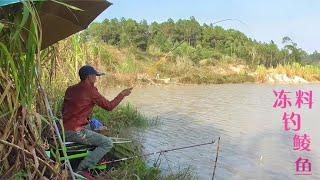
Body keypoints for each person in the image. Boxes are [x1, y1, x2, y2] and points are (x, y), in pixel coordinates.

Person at [62, 65, 132, 179]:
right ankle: (82, 169)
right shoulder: (90, 90)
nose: (96, 78)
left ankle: (94, 159)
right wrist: (122, 94)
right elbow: (109, 106)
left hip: (64, 128)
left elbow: (65, 110)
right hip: (75, 131)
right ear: (89, 77)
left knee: (98, 131)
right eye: (95, 76)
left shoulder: (70, 89)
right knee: (107, 143)